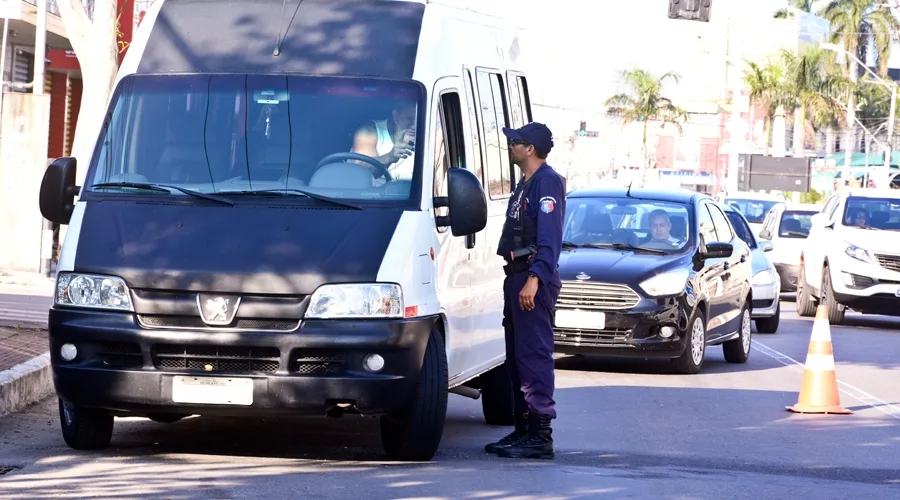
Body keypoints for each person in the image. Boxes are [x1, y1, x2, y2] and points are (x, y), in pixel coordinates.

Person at [484, 122, 566, 460]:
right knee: (517, 359)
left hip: (532, 279)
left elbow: (549, 241)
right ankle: (523, 428)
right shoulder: (525, 184)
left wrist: (535, 279)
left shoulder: (545, 182)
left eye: (516, 142)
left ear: (529, 149)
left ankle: (540, 433)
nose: (511, 146)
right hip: (516, 276)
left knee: (534, 356)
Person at [350, 101, 417, 186]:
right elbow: (361, 172)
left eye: (419, 119)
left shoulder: (431, 135)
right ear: (395, 116)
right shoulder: (368, 132)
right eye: (409, 119)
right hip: (369, 196)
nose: (415, 125)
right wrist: (390, 157)